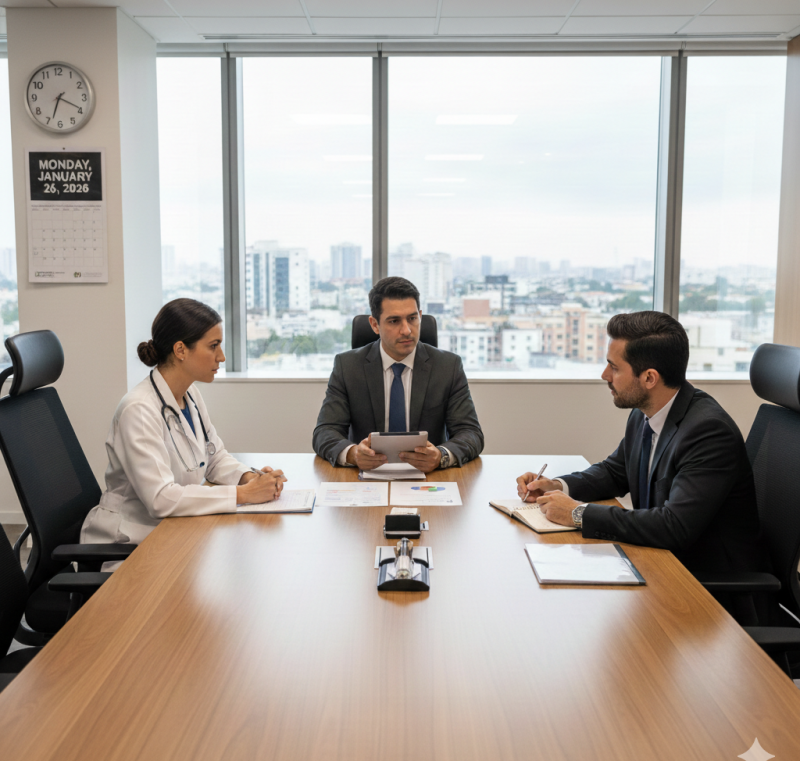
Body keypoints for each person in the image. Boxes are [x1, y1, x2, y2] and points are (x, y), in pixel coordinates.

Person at [515, 310, 764, 575]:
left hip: (706, 588)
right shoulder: (646, 411)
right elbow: (616, 471)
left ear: (649, 378)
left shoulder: (709, 432)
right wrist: (557, 486)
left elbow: (674, 526)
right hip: (658, 561)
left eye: (614, 367)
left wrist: (578, 513)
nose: (604, 375)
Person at [81, 298, 286, 562]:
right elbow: (160, 499)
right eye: (213, 346)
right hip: (130, 543)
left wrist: (250, 478)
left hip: (174, 532)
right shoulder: (139, 409)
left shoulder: (190, 394)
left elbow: (214, 458)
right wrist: (243, 494)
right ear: (180, 350)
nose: (221, 357)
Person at [313, 276, 484, 471]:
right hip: (367, 479)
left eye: (412, 319)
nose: (406, 330)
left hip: (429, 479)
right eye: (394, 321)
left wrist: (441, 456)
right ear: (374, 325)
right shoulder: (348, 366)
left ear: (420, 316)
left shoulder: (447, 367)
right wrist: (353, 454)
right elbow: (325, 432)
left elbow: (470, 433)